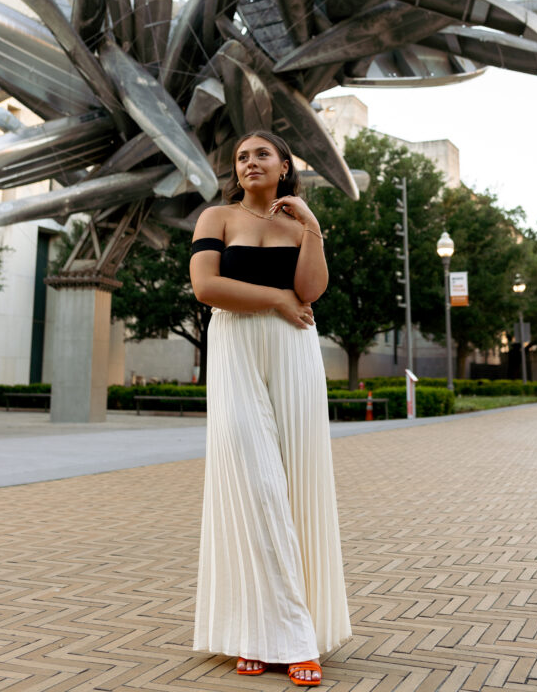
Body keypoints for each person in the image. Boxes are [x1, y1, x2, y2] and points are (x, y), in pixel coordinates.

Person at [190, 130, 351, 687]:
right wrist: (275, 298)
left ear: (285, 165)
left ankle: (260, 634)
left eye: (262, 154)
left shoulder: (298, 225)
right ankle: (282, 635)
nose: (249, 162)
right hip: (236, 350)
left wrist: (314, 228)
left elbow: (310, 289)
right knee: (252, 487)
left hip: (293, 356)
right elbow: (206, 287)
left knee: (296, 487)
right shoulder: (217, 218)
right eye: (241, 157)